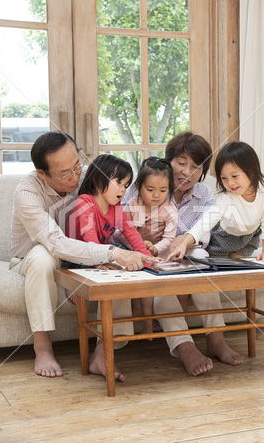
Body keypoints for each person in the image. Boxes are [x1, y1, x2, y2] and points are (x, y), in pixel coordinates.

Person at [9, 131, 155, 380]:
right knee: (44, 255)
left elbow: (120, 202)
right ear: (41, 173)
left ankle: (102, 352)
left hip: (83, 255)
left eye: (76, 165)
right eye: (65, 173)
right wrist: (112, 252)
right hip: (31, 258)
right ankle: (42, 348)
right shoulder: (27, 192)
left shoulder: (90, 175)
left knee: (121, 265)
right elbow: (55, 243)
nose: (76, 176)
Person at [122, 131, 244, 376]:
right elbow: (118, 229)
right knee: (162, 279)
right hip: (149, 255)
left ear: (203, 170)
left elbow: (205, 234)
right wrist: (142, 239)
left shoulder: (205, 194)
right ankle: (184, 346)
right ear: (168, 162)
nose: (187, 172)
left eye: (196, 166)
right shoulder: (145, 186)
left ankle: (216, 337)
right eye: (181, 163)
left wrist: (185, 241)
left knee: (201, 259)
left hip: (186, 253)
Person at [65, 153, 154, 334]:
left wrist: (149, 259)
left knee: (130, 256)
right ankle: (73, 285)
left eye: (126, 185)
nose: (123, 190)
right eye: (118, 183)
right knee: (110, 265)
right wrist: (100, 262)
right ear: (99, 180)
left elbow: (131, 234)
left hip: (105, 252)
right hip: (80, 255)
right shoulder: (85, 202)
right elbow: (89, 237)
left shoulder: (116, 207)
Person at [168, 141, 264, 263]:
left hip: (250, 236)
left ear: (251, 171)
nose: (230, 183)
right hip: (224, 236)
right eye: (224, 178)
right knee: (222, 266)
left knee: (240, 265)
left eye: (235, 176)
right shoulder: (227, 198)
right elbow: (206, 221)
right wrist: (184, 243)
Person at [113, 156, 178, 334]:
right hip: (132, 252)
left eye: (163, 190)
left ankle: (148, 322)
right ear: (139, 187)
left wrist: (155, 248)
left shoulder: (170, 209)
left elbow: (169, 238)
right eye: (150, 189)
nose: (156, 195)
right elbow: (118, 233)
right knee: (133, 276)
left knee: (149, 279)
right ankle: (138, 313)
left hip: (158, 254)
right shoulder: (132, 205)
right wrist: (135, 238)